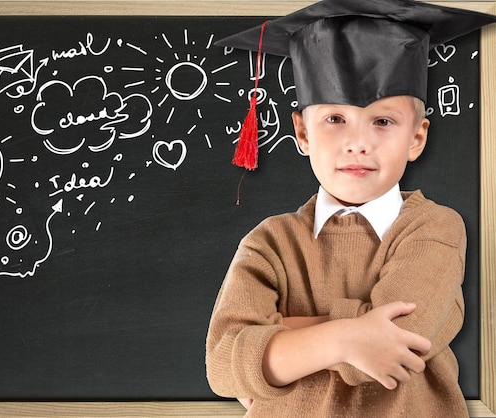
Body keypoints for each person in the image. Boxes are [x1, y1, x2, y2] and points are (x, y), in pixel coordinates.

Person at [205, 0, 496, 416]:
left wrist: (276, 336)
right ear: (303, 133)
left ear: (416, 138)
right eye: (335, 119)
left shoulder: (434, 229)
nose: (358, 142)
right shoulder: (270, 242)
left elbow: (398, 340)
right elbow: (222, 365)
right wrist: (346, 336)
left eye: (382, 121)